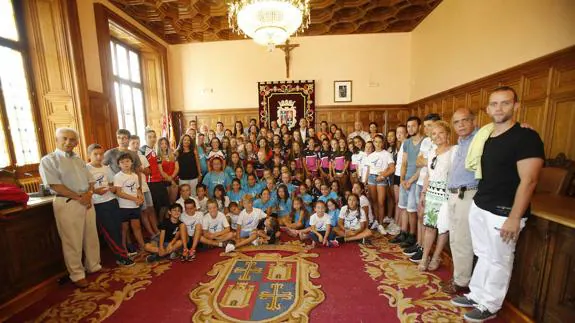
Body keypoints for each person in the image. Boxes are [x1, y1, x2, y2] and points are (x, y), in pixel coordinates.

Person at [452, 86, 544, 322]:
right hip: (481, 204)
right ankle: (477, 294)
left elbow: (530, 180)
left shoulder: (526, 137)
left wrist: (514, 217)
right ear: (488, 108)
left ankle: (490, 304)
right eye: (494, 104)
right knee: (483, 253)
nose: (499, 108)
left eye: (505, 103)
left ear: (516, 106)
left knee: (500, 259)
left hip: (504, 211)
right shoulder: (486, 135)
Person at [39, 128, 101, 288]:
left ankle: (93, 265)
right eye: (64, 138)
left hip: (86, 201)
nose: (68, 142)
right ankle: (77, 274)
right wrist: (80, 198)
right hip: (67, 202)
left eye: (72, 139)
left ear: (76, 142)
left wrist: (88, 194)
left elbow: (91, 181)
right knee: (72, 240)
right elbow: (55, 185)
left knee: (91, 235)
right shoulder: (49, 160)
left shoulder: (79, 160)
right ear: (57, 139)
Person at [441, 108, 479, 294]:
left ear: (474, 121)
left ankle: (461, 282)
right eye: (456, 122)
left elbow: (497, 130)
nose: (461, 125)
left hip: (468, 194)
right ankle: (459, 277)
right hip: (455, 194)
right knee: (455, 238)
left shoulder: (481, 138)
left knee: (463, 239)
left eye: (465, 120)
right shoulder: (462, 142)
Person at [87, 144, 134, 267]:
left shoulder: (106, 168)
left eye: (101, 154)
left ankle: (122, 252)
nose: (99, 157)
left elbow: (112, 183)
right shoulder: (86, 169)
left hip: (112, 200)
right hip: (98, 203)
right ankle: (121, 256)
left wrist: (112, 188)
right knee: (110, 230)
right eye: (95, 154)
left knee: (118, 228)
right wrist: (96, 191)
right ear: (89, 155)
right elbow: (86, 189)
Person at [418, 121, 453, 271]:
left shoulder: (454, 150)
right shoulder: (431, 152)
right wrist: (423, 193)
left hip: (446, 195)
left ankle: (437, 256)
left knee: (443, 228)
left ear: (448, 134)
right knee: (430, 227)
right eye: (434, 134)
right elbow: (428, 175)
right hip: (432, 194)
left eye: (441, 133)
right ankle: (425, 257)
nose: (437, 136)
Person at [407, 113, 441, 262]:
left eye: (430, 126)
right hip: (420, 181)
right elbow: (418, 162)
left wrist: (426, 160)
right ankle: (419, 244)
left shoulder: (441, 141)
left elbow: (434, 163)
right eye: (426, 126)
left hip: (433, 185)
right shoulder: (426, 141)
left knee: (428, 220)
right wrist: (429, 160)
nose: (427, 129)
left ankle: (426, 250)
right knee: (420, 216)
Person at [392, 116, 423, 249]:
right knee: (403, 207)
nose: (410, 129)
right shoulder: (407, 143)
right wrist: (403, 179)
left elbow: (422, 166)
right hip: (405, 180)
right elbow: (403, 163)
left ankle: (412, 235)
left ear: (419, 126)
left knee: (412, 209)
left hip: (416, 180)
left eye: (413, 126)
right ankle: (403, 232)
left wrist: (410, 180)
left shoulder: (425, 142)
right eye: (408, 126)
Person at [114, 153, 146, 255]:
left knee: (137, 227)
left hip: (134, 206)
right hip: (124, 207)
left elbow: (137, 189)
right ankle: (124, 250)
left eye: (127, 161)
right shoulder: (118, 176)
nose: (125, 164)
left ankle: (142, 246)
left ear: (131, 162)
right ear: (119, 165)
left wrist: (140, 197)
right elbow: (119, 192)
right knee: (124, 229)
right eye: (122, 162)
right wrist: (134, 198)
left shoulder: (135, 175)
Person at [129, 135, 159, 238]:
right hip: (135, 189)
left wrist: (141, 169)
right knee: (144, 212)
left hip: (145, 186)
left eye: (137, 143)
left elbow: (148, 172)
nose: (136, 145)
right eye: (133, 143)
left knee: (151, 209)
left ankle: (156, 230)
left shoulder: (141, 156)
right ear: (129, 144)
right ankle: (151, 233)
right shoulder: (127, 157)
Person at [364, 134, 395, 234]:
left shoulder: (387, 154)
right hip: (371, 178)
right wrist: (365, 182)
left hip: (381, 178)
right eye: (376, 142)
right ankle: (377, 221)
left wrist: (383, 175)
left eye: (380, 142)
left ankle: (381, 224)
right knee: (374, 201)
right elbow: (368, 169)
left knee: (381, 202)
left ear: (383, 143)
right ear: (373, 143)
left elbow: (392, 168)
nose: (378, 144)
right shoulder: (371, 155)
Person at [141, 129, 170, 221]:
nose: (152, 139)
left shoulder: (154, 150)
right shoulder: (143, 150)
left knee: (165, 203)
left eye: (154, 136)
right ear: (145, 138)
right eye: (149, 137)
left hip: (159, 181)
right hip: (151, 182)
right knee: (156, 206)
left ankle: (161, 223)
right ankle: (159, 224)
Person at [157, 137, 179, 203]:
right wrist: (171, 180)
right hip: (164, 181)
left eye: (165, 143)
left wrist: (172, 178)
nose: (164, 145)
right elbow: (161, 171)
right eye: (162, 144)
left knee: (173, 201)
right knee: (166, 203)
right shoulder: (158, 157)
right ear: (159, 145)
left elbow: (177, 168)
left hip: (174, 180)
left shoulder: (173, 155)